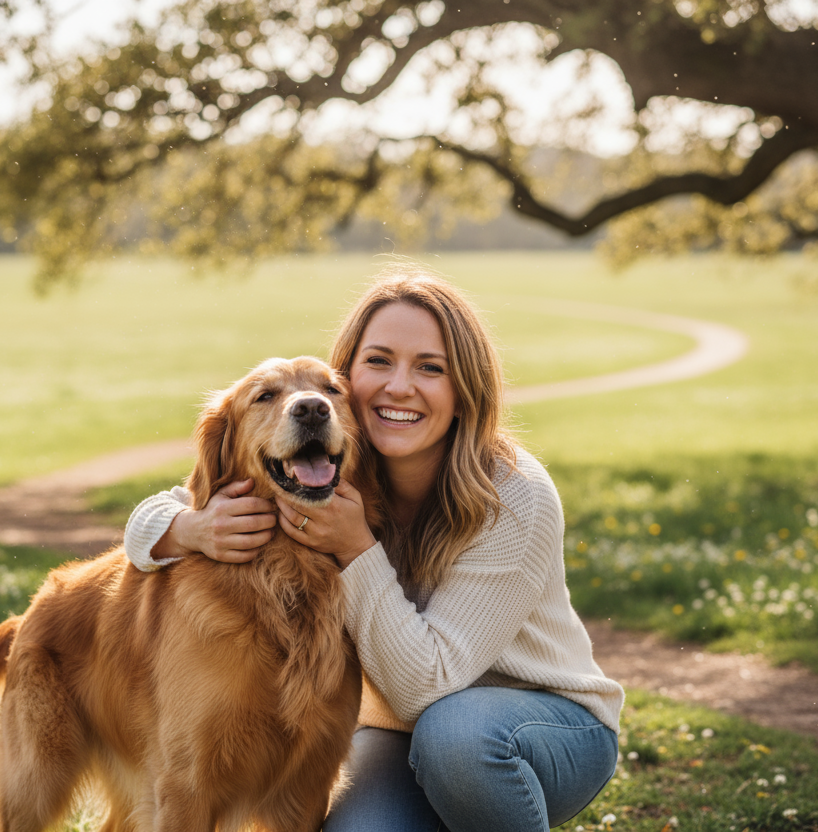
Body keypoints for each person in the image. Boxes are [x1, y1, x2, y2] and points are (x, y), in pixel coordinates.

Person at [123, 265, 624, 832]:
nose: (399, 387)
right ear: (347, 379)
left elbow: (428, 689)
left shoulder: (514, 497)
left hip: (539, 727)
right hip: (398, 736)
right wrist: (188, 529)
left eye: (430, 368)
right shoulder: (329, 466)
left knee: (454, 737)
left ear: (464, 391)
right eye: (379, 361)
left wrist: (357, 547)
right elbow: (159, 510)